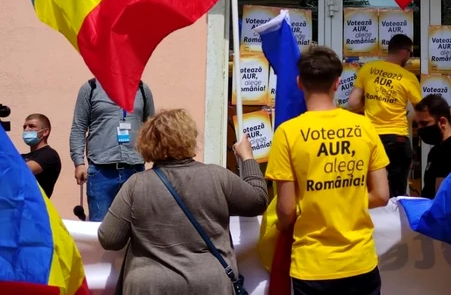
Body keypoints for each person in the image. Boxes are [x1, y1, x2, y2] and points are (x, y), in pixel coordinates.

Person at [98, 108, 268, 295]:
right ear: (190, 137)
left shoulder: (136, 185)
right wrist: (247, 157)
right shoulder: (216, 177)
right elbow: (258, 200)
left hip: (149, 285)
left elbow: (110, 238)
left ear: (147, 143)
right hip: (209, 284)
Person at [266, 46, 390, 295]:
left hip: (312, 264)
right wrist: (346, 201)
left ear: (300, 82)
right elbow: (381, 195)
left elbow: (287, 209)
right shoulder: (364, 126)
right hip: (360, 260)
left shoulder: (288, 133)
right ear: (337, 83)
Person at [69, 78, 155, 221]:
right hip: (100, 171)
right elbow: (79, 128)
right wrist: (79, 163)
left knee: (137, 226)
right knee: (99, 227)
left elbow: (151, 127)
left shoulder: (142, 88)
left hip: (134, 170)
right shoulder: (90, 88)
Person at [348, 33, 422, 197]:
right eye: (410, 55)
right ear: (404, 52)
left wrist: (367, 107)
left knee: (370, 190)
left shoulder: (367, 69)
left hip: (370, 138)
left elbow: (352, 103)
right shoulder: (408, 77)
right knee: (396, 193)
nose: (409, 59)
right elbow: (422, 112)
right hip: (397, 139)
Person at [415, 94, 451, 199]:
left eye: (424, 123)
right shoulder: (436, 150)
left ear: (442, 122)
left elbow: (441, 195)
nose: (419, 129)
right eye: (417, 125)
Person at [21, 113, 61, 198]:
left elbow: (20, 170)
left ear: (45, 132)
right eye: (24, 127)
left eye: (31, 126)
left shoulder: (49, 155)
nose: (26, 130)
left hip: (35, 208)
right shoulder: (22, 156)